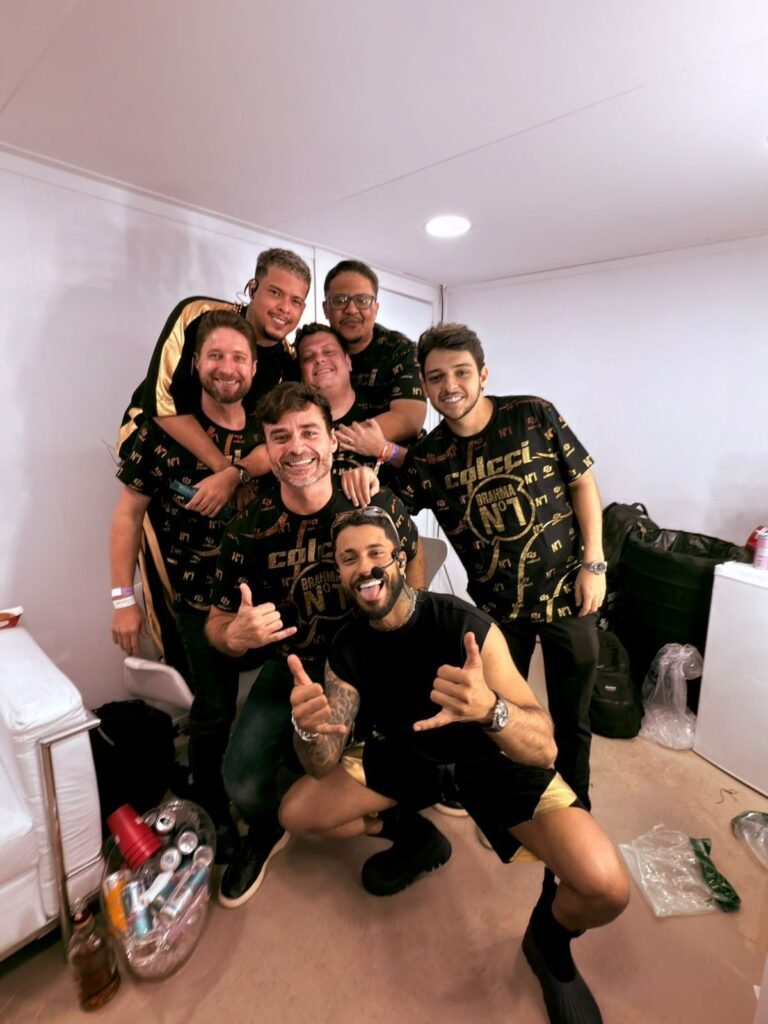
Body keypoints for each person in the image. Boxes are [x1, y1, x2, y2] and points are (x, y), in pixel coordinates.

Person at [281, 509, 628, 1024]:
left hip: (489, 759)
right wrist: (308, 729)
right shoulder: (347, 647)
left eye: (376, 553)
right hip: (410, 756)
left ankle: (548, 944)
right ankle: (416, 837)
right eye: (349, 558)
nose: (364, 567)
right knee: (297, 813)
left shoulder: (465, 626)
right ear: (341, 572)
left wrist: (491, 710)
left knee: (605, 888)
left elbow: (544, 749)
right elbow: (321, 763)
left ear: (401, 559)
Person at [341, 323, 607, 815]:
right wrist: (366, 472)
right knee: (499, 717)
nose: (450, 386)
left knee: (572, 719)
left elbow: (582, 482)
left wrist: (594, 562)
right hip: (497, 611)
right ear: (425, 386)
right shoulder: (430, 457)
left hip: (568, 593)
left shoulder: (532, 414)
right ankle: (515, 806)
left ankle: (575, 809)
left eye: (461, 372)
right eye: (436, 377)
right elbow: (390, 507)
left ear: (483, 374)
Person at [205, 382, 424, 908]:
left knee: (419, 759)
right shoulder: (248, 528)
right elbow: (216, 622)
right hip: (293, 668)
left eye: (309, 432)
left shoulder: (371, 500)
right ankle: (265, 831)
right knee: (240, 780)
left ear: (331, 440)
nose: (296, 447)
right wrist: (232, 635)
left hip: (372, 660)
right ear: (266, 448)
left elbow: (412, 553)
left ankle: (402, 820)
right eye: (280, 437)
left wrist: (409, 622)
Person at [109, 310, 260, 858]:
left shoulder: (268, 428)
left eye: (239, 357)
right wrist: (122, 600)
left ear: (254, 367)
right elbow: (127, 517)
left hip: (272, 593)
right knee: (213, 710)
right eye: (215, 355)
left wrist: (237, 472)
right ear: (195, 363)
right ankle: (210, 800)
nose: (227, 367)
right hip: (201, 602)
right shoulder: (162, 434)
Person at [117, 247, 311, 517]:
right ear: (253, 289)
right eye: (275, 293)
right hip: (158, 449)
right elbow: (161, 402)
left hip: (236, 474)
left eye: (296, 301)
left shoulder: (289, 364)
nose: (284, 308)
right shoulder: (198, 315)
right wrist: (227, 472)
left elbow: (279, 437)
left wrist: (236, 474)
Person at [322, 259, 427, 447]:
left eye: (362, 300)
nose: (351, 309)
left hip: (390, 458)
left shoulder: (400, 350)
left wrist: (331, 441)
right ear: (326, 309)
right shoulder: (312, 349)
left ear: (375, 308)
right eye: (340, 300)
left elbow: (409, 420)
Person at [293, 322, 401, 478]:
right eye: (308, 357)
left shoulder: (383, 409)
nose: (319, 359)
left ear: (348, 362)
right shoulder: (293, 426)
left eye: (329, 352)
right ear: (302, 375)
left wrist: (384, 450)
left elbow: (421, 468)